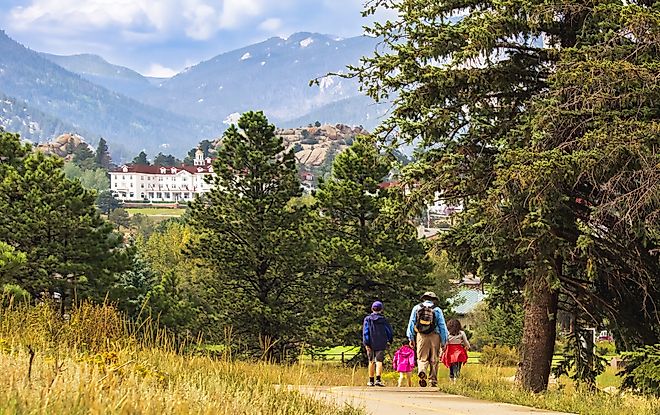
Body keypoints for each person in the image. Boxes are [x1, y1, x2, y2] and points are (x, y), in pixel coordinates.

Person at [406, 291, 448, 387]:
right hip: (435, 335)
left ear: (424, 298)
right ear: (433, 300)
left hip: (421, 335)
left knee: (421, 357)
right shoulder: (437, 310)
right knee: (434, 358)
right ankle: (432, 380)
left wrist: (411, 338)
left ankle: (422, 371)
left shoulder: (416, 308)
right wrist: (444, 341)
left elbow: (411, 323)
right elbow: (442, 326)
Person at [362, 301, 393, 386]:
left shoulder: (367, 319)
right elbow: (389, 331)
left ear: (372, 309)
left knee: (371, 361)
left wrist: (366, 343)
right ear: (381, 309)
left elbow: (366, 331)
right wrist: (389, 340)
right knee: (379, 361)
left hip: (371, 343)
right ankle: (378, 380)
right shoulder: (383, 319)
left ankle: (371, 380)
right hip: (381, 342)